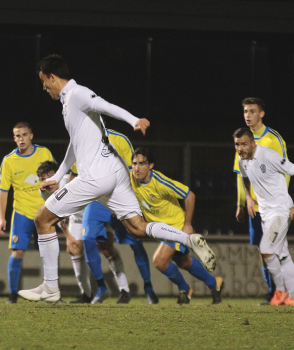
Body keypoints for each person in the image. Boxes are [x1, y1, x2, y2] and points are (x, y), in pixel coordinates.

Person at [19, 54, 215, 302]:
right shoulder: (68, 103)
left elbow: (104, 105)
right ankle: (188, 239)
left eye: (43, 81)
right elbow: (75, 144)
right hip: (115, 174)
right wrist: (58, 175)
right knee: (138, 228)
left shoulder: (77, 93)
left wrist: (134, 120)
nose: (43, 87)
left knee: (42, 219)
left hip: (96, 176)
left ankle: (50, 287)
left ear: (52, 77)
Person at [131, 147, 224, 304]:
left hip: (175, 226)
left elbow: (189, 195)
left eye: (142, 163)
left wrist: (187, 224)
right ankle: (215, 283)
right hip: (160, 230)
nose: (137, 168)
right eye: (134, 163)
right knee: (184, 262)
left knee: (160, 261)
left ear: (151, 165)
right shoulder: (130, 177)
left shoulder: (160, 183)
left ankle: (185, 289)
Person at [77, 129, 158, 304]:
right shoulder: (81, 138)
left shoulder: (119, 139)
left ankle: (148, 287)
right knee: (88, 239)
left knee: (136, 242)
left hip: (118, 197)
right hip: (96, 200)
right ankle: (101, 288)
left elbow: (133, 170)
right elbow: (75, 173)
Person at [234, 127, 294, 306]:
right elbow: (244, 177)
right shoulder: (242, 161)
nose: (240, 148)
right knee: (282, 254)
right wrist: (248, 197)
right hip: (266, 213)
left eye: (243, 144)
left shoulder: (268, 156)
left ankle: (280, 291)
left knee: (266, 248)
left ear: (253, 143)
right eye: (237, 145)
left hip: (281, 210)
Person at [233, 97, 289, 304]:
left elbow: (287, 171)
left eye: (252, 111)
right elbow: (241, 173)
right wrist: (242, 202)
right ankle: (273, 291)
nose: (248, 115)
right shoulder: (241, 139)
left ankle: (280, 291)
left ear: (262, 114)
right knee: (261, 248)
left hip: (273, 205)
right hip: (254, 207)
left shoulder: (273, 139)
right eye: (245, 111)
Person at [0, 122, 55, 303]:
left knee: (48, 253)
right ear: (14, 138)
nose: (21, 139)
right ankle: (13, 294)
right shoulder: (9, 160)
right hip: (21, 212)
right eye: (17, 136)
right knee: (18, 252)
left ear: (31, 136)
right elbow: (3, 191)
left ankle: (50, 292)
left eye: (24, 135)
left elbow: (56, 178)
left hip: (44, 212)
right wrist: (1, 218)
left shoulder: (44, 153)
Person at [36, 161, 92, 303]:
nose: (47, 182)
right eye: (43, 179)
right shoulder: (44, 192)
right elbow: (56, 215)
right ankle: (87, 294)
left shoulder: (70, 180)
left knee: (104, 248)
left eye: (50, 177)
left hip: (90, 214)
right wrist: (68, 236)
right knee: (74, 249)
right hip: (75, 218)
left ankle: (118, 288)